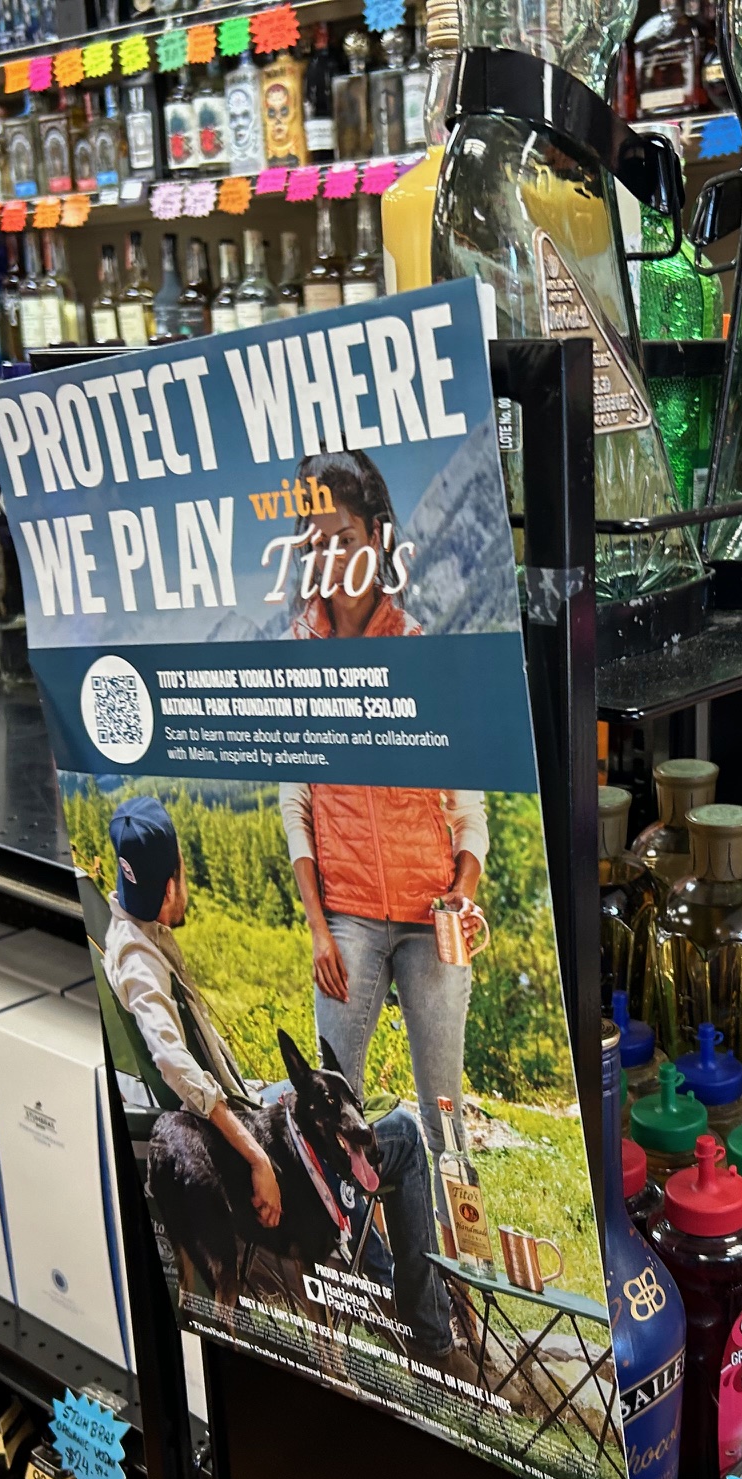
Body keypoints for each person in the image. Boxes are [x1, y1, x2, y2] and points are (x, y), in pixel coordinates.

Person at [100, 795, 473, 1378]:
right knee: (399, 1135)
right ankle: (427, 1333)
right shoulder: (139, 961)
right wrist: (257, 1157)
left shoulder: (131, 930)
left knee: (343, 1102)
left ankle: (379, 1285)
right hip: (230, 1126)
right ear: (172, 884)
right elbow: (175, 1065)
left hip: (239, 1104)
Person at [276, 450, 487, 1222]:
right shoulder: (299, 657)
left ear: (377, 536)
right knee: (337, 1110)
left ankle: (461, 1260)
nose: (334, 558)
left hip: (432, 912)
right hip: (350, 919)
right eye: (318, 543)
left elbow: (467, 804)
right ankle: (353, 1261)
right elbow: (295, 800)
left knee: (443, 1114)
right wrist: (318, 928)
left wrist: (462, 895)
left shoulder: (421, 649)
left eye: (347, 538)